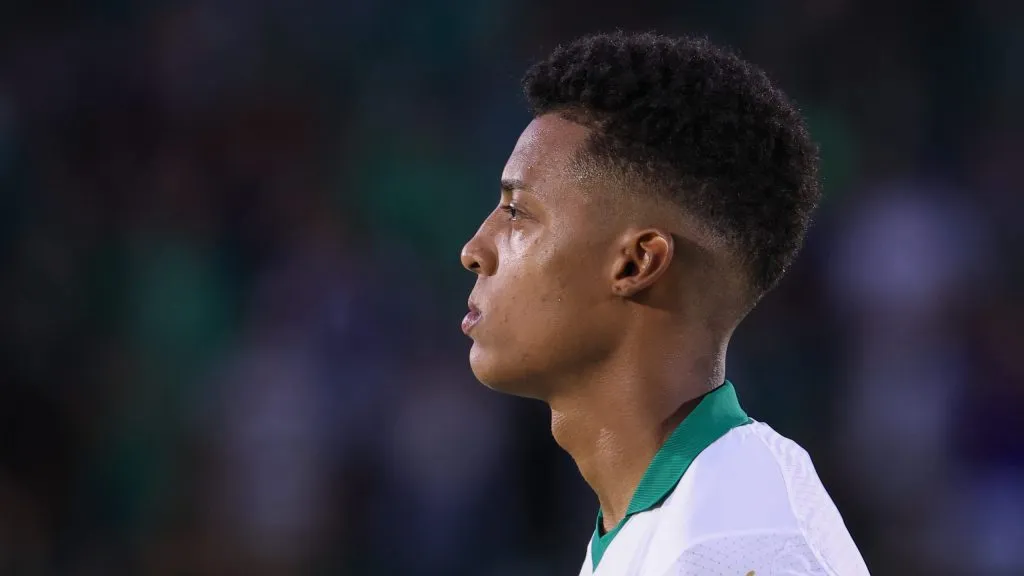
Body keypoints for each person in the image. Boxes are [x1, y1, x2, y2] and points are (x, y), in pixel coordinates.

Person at [459, 32, 869, 575]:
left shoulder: (731, 546)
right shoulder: (668, 520)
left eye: (517, 212)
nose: (473, 251)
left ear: (635, 264)